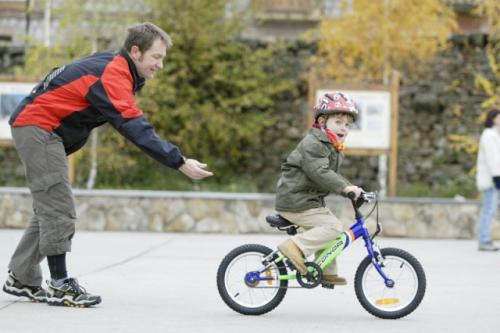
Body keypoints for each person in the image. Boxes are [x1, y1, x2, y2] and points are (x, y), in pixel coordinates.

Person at [2, 22, 213, 307]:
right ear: (136, 52)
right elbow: (135, 126)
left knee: (48, 209)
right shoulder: (114, 72)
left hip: (37, 127)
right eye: (156, 57)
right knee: (59, 208)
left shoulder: (112, 64)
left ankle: (22, 277)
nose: (160, 65)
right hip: (39, 128)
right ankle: (61, 285)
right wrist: (179, 161)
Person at [275, 92, 364, 286]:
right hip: (295, 201)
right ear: (323, 121)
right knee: (332, 227)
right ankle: (293, 248)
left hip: (307, 201)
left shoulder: (331, 146)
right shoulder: (313, 144)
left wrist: (351, 188)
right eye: (338, 122)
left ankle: (325, 271)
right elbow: (320, 172)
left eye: (347, 124)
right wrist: (345, 188)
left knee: (331, 227)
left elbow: (332, 175)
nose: (344, 128)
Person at [476, 108, 500, 251]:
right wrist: (497, 176)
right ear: (493, 119)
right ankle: (484, 240)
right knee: (488, 209)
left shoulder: (494, 135)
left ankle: (485, 239)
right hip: (491, 179)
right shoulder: (489, 135)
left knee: (490, 209)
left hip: (493, 177)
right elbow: (493, 159)